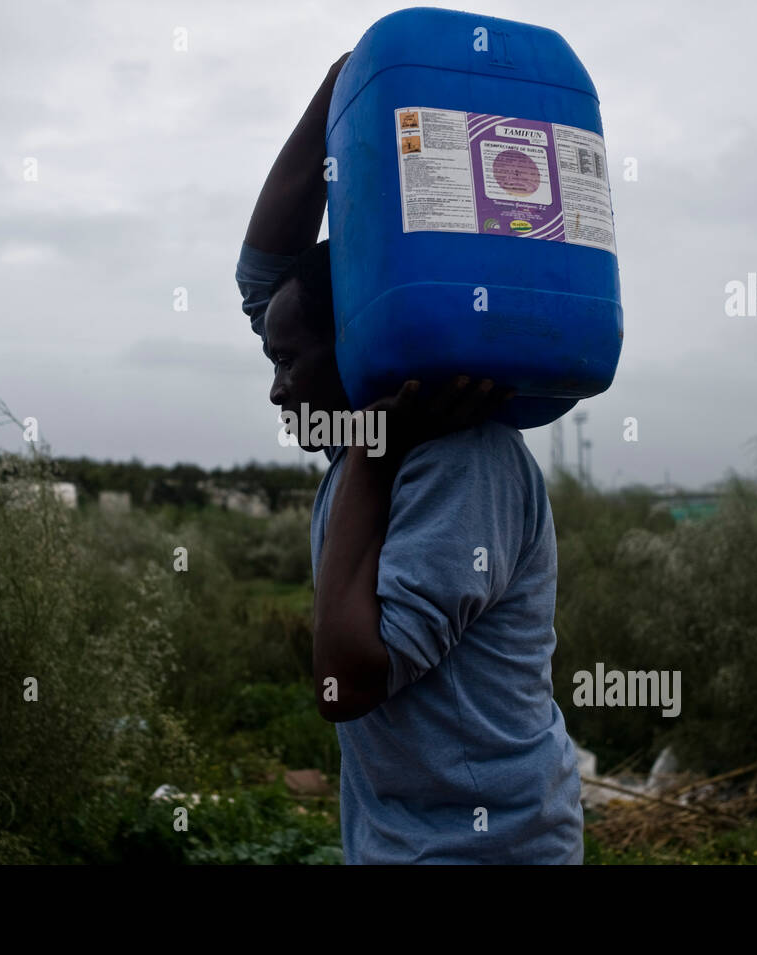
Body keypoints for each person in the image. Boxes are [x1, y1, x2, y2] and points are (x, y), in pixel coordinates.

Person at [234, 53, 584, 865]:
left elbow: (346, 681)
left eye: (288, 364)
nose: (279, 391)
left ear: (358, 349)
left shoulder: (452, 462)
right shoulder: (366, 434)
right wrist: (343, 88)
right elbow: (265, 278)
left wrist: (368, 462)